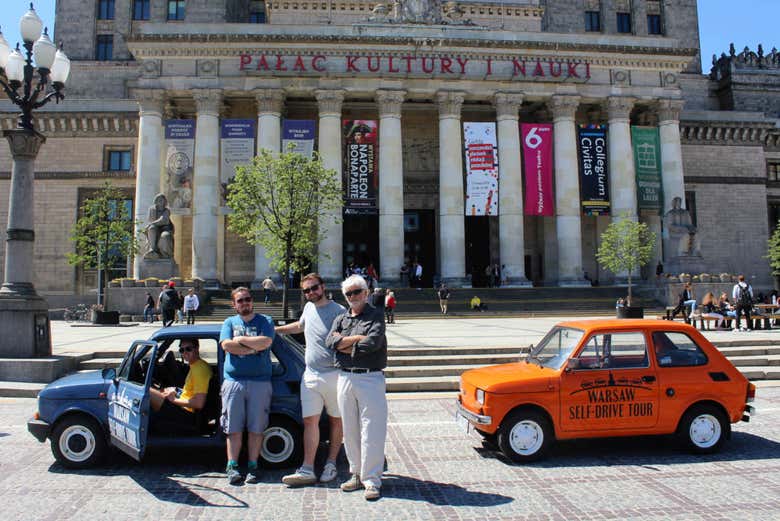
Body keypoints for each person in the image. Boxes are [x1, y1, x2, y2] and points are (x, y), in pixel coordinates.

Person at [276, 274, 346, 487]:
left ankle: (331, 463)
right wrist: (276, 330)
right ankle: (307, 468)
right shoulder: (308, 308)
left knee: (336, 420)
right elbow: (300, 326)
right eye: (306, 290)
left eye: (314, 288)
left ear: (322, 287)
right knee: (310, 421)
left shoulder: (339, 311)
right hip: (312, 374)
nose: (311, 293)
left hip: (334, 374)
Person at [325, 275, 388, 501]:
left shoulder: (376, 315)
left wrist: (344, 342)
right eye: (348, 294)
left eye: (356, 292)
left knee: (372, 430)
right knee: (350, 429)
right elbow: (329, 342)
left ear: (366, 292)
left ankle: (372, 480)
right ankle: (356, 473)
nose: (352, 297)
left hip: (370, 378)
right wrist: (355, 339)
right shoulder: (341, 317)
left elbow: (373, 343)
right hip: (345, 377)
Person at [219, 287, 275, 485]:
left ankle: (253, 466)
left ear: (253, 301)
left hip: (260, 382)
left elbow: (266, 342)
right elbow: (226, 346)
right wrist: (254, 348)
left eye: (247, 299)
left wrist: (241, 341)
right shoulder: (229, 322)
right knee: (233, 427)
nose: (244, 303)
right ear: (234, 305)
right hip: (233, 382)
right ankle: (232, 466)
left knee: (256, 427)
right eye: (240, 300)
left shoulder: (265, 321)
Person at [149, 338, 213, 432]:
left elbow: (199, 403)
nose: (185, 352)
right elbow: (191, 392)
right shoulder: (196, 365)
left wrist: (174, 400)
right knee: (160, 391)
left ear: (197, 348)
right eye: (181, 350)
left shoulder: (200, 370)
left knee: (147, 392)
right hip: (184, 407)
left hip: (187, 415)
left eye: (188, 349)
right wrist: (176, 391)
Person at [144, 193, 174, 259]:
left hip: (165, 229)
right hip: (155, 228)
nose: (160, 202)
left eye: (162, 200)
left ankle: (165, 254)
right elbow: (150, 220)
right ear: (156, 201)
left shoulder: (167, 210)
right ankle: (152, 249)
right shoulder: (152, 209)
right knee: (151, 228)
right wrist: (151, 224)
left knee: (165, 236)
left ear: (165, 202)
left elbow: (163, 220)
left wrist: (151, 224)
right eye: (159, 200)